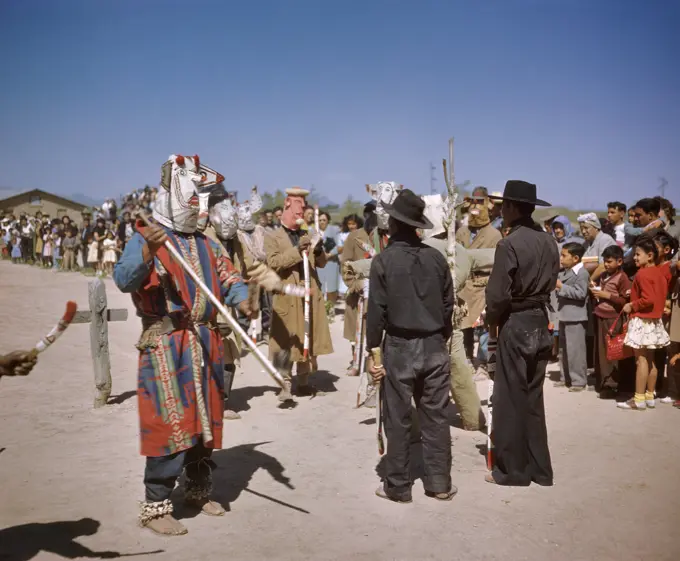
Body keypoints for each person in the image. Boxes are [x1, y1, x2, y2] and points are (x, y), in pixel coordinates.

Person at [113, 154, 249, 536]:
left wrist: (243, 296)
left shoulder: (206, 244)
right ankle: (156, 507)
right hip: (166, 346)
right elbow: (123, 279)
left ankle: (197, 488)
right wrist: (145, 253)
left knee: (204, 425)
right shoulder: (148, 237)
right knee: (169, 425)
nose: (199, 206)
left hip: (206, 342)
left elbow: (229, 278)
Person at [366, 189, 455, 503]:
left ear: (393, 222)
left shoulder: (384, 261)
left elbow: (376, 311)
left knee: (399, 418)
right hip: (434, 345)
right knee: (436, 417)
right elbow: (448, 305)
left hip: (401, 347)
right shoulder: (436, 257)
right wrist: (440, 336)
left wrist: (372, 350)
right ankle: (439, 482)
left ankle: (398, 486)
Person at [485, 180, 559, 487]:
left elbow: (498, 295)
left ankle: (512, 471)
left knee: (509, 399)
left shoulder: (509, 244)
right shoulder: (549, 242)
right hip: (540, 322)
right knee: (532, 398)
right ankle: (540, 470)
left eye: (503, 206)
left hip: (515, 323)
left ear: (513, 208)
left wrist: (491, 321)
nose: (501, 211)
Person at [421, 194, 489, 431]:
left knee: (417, 373)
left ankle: (415, 426)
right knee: (459, 370)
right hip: (452, 319)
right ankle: (472, 419)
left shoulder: (418, 250)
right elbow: (488, 257)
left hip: (422, 321)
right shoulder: (459, 250)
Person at [265, 187, 333, 400]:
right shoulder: (273, 236)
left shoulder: (308, 233)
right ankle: (284, 384)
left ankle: (303, 381)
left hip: (308, 293)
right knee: (285, 339)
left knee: (307, 336)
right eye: (298, 205)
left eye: (304, 206)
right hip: (287, 294)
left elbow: (320, 264)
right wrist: (297, 251)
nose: (302, 209)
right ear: (287, 203)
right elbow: (273, 263)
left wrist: (319, 249)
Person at [618, 237, 671, 410]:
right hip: (655, 321)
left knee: (641, 360)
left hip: (642, 319)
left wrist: (631, 304)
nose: (634, 258)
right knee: (651, 360)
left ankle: (638, 398)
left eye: (637, 254)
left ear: (649, 255)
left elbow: (647, 299)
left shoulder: (642, 273)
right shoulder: (659, 273)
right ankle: (649, 395)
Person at [455, 187, 502, 361]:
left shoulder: (494, 234)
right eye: (473, 202)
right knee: (463, 325)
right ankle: (466, 358)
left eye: (480, 202)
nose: (476, 206)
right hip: (464, 285)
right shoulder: (461, 232)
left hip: (483, 286)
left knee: (484, 325)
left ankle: (485, 361)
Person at [590, 245, 633, 398]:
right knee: (601, 352)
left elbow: (625, 300)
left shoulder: (622, 278)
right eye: (605, 261)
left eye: (609, 261)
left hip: (613, 318)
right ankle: (603, 382)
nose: (606, 264)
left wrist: (606, 295)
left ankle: (612, 385)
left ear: (619, 261)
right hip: (600, 315)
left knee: (612, 352)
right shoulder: (603, 276)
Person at [341, 204, 374, 376]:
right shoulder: (354, 237)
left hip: (378, 292)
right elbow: (345, 264)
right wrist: (354, 285)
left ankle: (373, 362)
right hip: (358, 294)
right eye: (370, 215)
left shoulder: (386, 236)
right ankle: (356, 361)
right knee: (356, 329)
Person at [554, 242, 590, 391]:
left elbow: (581, 293)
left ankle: (578, 381)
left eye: (564, 255)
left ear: (575, 258)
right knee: (564, 350)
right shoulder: (565, 271)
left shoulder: (582, 273)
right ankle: (566, 377)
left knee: (576, 351)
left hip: (576, 316)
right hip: (564, 315)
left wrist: (562, 287)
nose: (561, 258)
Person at [316, 211, 341, 308]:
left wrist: (330, 254)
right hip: (319, 263)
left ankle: (331, 308)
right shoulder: (313, 231)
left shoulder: (334, 230)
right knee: (320, 286)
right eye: (320, 220)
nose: (322, 222)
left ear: (328, 221)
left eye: (324, 220)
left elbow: (340, 245)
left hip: (332, 262)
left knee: (332, 287)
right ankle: (321, 309)